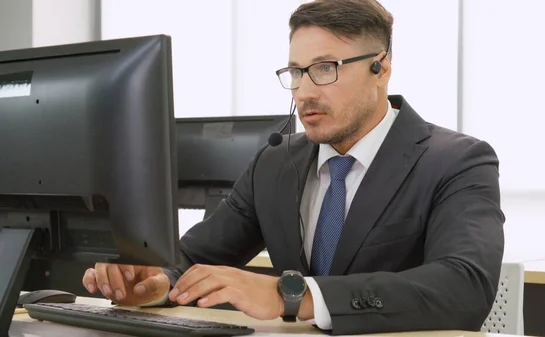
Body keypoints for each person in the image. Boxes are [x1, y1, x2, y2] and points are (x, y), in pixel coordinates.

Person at [82, 0, 505, 335]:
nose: (304, 92)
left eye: (325, 69)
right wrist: (157, 284)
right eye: (296, 72)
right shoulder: (275, 162)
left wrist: (294, 295)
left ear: (382, 68)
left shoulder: (457, 160)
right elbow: (193, 257)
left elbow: (464, 287)